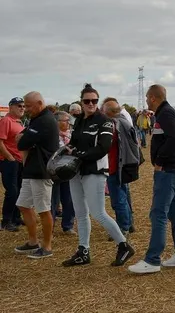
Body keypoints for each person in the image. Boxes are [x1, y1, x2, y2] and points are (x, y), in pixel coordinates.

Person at [61, 83, 135, 267]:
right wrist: (67, 148)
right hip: (76, 170)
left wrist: (78, 154)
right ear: (82, 102)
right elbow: (75, 142)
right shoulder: (78, 121)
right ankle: (83, 251)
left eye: (94, 100)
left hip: (95, 171)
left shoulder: (105, 121)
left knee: (98, 213)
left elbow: (103, 148)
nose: (91, 104)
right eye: (87, 101)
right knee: (81, 213)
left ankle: (124, 245)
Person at [128, 84, 175, 274]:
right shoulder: (167, 113)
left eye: (147, 98)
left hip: (170, 171)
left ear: (153, 98)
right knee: (174, 213)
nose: (146, 101)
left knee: (159, 214)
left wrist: (160, 161)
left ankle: (153, 259)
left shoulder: (166, 114)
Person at [13, 91, 59, 259]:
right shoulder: (37, 119)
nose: (26, 109)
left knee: (43, 209)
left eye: (29, 106)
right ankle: (33, 242)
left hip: (41, 171)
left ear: (40, 103)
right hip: (31, 170)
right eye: (24, 106)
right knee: (23, 205)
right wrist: (24, 138)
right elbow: (23, 141)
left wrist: (23, 138)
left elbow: (22, 142)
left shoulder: (45, 120)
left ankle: (47, 247)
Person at [103, 100, 140, 237]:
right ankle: (129, 224)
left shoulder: (114, 124)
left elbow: (108, 145)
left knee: (118, 199)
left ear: (108, 112)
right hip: (123, 165)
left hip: (115, 166)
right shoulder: (124, 121)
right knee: (124, 195)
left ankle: (122, 227)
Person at [0, 97, 26, 232]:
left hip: (19, 161)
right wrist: (9, 157)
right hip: (10, 161)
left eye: (23, 106)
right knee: (12, 191)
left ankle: (16, 217)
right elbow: (0, 142)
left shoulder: (19, 122)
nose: (22, 108)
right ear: (10, 107)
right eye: (18, 106)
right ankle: (6, 220)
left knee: (20, 190)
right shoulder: (6, 121)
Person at [51, 111, 76, 234]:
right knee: (53, 201)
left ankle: (68, 225)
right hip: (55, 172)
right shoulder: (52, 136)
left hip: (68, 171)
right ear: (58, 122)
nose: (68, 123)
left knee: (69, 199)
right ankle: (50, 226)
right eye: (66, 120)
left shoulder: (70, 135)